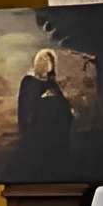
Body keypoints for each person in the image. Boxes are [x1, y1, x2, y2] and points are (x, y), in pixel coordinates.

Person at [17, 45, 73, 174]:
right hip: (39, 130)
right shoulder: (29, 81)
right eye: (43, 60)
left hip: (56, 130)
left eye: (49, 60)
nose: (47, 63)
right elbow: (28, 106)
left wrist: (67, 111)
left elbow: (62, 102)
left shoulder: (51, 83)